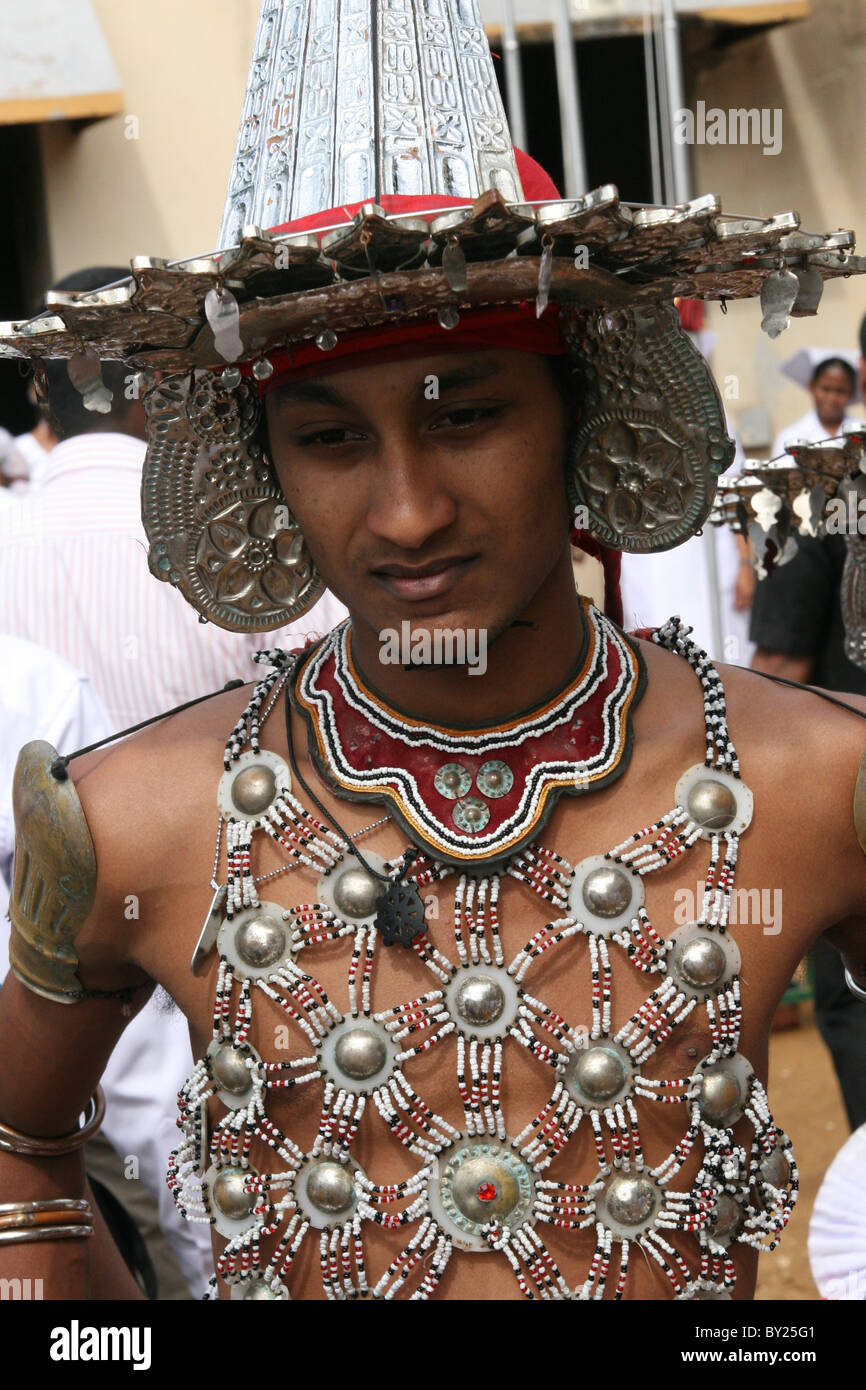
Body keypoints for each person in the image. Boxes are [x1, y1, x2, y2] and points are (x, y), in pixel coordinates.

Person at [1, 0, 866, 1304]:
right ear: (262, 462)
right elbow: (18, 1147)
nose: (405, 513)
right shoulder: (124, 823)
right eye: (330, 438)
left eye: (465, 415)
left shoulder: (813, 785)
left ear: (583, 412)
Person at [0, 267, 346, 733]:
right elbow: (324, 704)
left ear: (48, 397)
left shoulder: (11, 532)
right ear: (161, 381)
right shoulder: (244, 525)